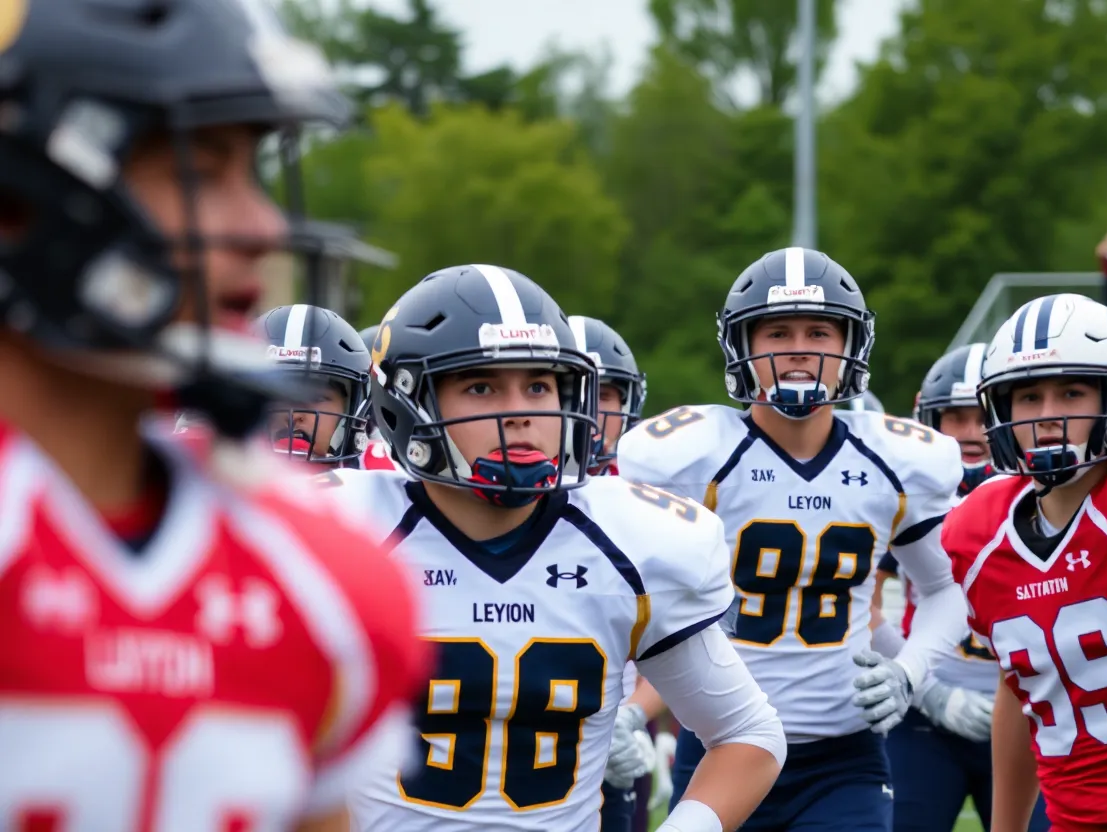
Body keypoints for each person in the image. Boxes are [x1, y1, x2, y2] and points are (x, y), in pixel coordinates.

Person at [0, 0, 429, 828]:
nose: (263, 226)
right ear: (19, 198)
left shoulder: (327, 578)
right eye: (202, 171)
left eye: (256, 171)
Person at [325, 264, 786, 832]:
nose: (521, 411)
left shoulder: (631, 540)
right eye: (480, 386)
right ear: (406, 401)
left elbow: (748, 734)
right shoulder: (339, 534)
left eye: (539, 385)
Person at [618, 247, 968, 831]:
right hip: (718, 747)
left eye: (819, 330)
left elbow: (947, 588)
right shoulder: (689, 455)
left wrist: (909, 670)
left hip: (844, 758)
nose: (800, 347)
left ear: (850, 346)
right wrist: (622, 713)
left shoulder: (895, 458)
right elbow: (630, 605)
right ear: (743, 347)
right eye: (777, 331)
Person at [943, 293, 1107, 832]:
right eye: (1028, 397)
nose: (1049, 417)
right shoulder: (978, 531)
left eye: (1071, 391)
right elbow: (1021, 687)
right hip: (1075, 820)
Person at [872, 342, 1050, 832]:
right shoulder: (908, 496)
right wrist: (925, 689)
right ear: (929, 419)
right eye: (954, 417)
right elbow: (858, 604)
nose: (971, 433)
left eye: (982, 416)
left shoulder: (1050, 495)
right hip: (925, 721)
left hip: (1034, 713)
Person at [569, 314, 654, 832]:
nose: (593, 412)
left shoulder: (653, 505)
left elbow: (684, 647)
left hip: (614, 738)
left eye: (609, 394)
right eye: (576, 390)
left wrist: (632, 717)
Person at [256, 303, 398, 469]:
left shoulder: (376, 481)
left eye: (317, 397)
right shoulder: (221, 486)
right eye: (277, 395)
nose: (294, 414)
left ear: (350, 408)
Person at [569, 315, 647, 478]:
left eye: (601, 396)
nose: (586, 410)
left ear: (627, 406)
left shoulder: (649, 480)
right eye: (571, 393)